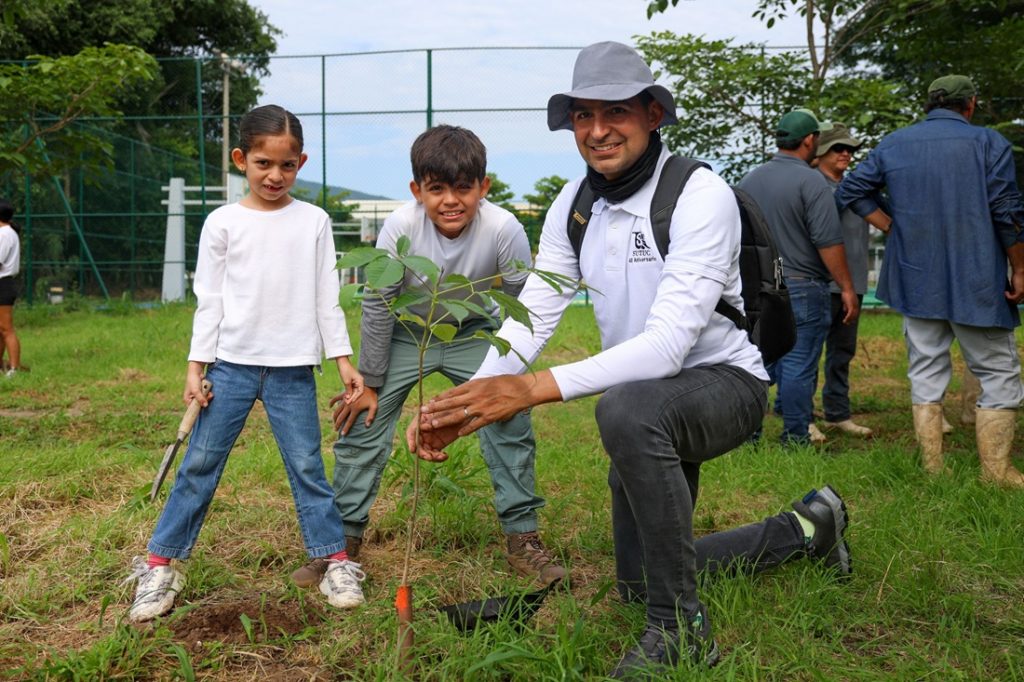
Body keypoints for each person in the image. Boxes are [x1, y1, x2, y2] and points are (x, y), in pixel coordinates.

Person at [408, 41, 852, 678]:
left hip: (725, 386)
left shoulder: (699, 194)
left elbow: (668, 346)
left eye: (615, 111)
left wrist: (529, 389)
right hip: (646, 397)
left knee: (625, 410)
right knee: (639, 580)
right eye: (583, 115)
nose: (598, 130)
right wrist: (463, 402)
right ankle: (806, 530)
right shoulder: (574, 204)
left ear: (652, 114)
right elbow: (535, 312)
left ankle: (681, 630)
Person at [290, 124, 566, 590]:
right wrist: (370, 380)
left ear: (484, 187)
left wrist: (510, 378)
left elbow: (524, 306)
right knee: (363, 420)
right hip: (406, 334)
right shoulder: (401, 226)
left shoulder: (503, 229)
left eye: (463, 188)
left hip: (473, 332)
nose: (450, 201)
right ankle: (340, 544)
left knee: (508, 419)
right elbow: (379, 302)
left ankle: (523, 537)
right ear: (417, 190)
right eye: (437, 189)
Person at [125, 105, 368, 622]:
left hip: (293, 371)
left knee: (308, 466)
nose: (275, 175)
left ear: (301, 163)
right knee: (199, 465)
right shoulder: (223, 222)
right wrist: (196, 367)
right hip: (229, 368)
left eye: (287, 165)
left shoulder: (315, 222)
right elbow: (209, 300)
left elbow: (327, 299)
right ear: (241, 160)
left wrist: (343, 361)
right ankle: (160, 565)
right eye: (263, 163)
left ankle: (335, 561)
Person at [836, 75, 1024, 486]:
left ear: (930, 104)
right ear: (970, 105)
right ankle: (996, 472)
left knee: (925, 370)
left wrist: (891, 226)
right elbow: (1006, 209)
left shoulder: (893, 144)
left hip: (916, 278)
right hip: (978, 277)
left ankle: (933, 469)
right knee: (998, 373)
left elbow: (851, 190)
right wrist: (1020, 267)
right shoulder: (989, 143)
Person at [738, 109, 859, 446]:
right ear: (809, 140)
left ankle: (748, 435)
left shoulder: (749, 180)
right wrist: (846, 288)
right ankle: (794, 437)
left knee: (756, 360)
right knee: (798, 363)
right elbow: (828, 242)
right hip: (803, 286)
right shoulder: (812, 181)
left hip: (758, 287)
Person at [812, 123, 873, 437]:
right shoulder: (811, 185)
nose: (846, 154)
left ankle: (837, 414)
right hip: (820, 283)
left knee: (842, 353)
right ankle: (802, 417)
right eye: (838, 148)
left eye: (850, 149)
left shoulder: (856, 189)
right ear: (821, 151)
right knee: (808, 354)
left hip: (854, 284)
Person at [0, 199, 22, 378]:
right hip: (4, 283)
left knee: (6, 329)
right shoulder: (8, 232)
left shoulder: (4, 234)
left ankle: (14, 369)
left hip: (3, 284)